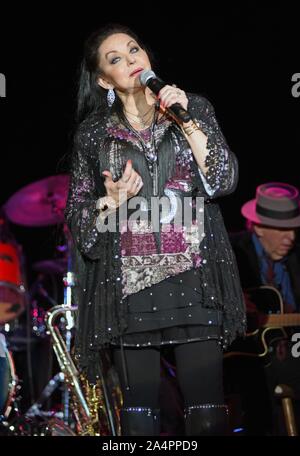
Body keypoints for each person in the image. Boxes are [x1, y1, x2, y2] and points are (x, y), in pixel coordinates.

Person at [65, 23, 245, 436]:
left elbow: (222, 180)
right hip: (129, 287)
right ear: (102, 79)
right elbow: (81, 222)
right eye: (116, 59)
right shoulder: (94, 134)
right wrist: (110, 201)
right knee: (139, 420)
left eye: (134, 51)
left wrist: (186, 119)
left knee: (206, 414)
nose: (130, 60)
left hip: (195, 278)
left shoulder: (192, 108)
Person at [229, 182, 300, 435]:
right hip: (244, 357)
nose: (290, 238)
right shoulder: (230, 252)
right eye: (282, 229)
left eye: (293, 229)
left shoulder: (295, 256)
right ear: (258, 226)